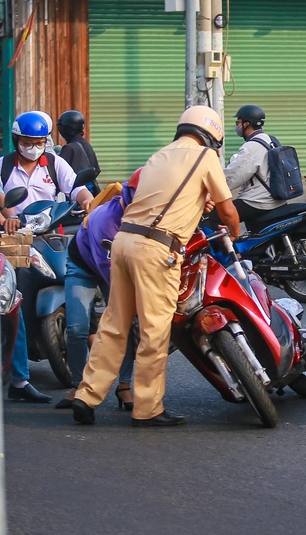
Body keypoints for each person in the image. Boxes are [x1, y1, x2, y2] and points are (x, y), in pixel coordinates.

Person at [71, 106, 240, 427]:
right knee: (155, 330)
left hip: (121, 243)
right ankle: (147, 409)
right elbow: (227, 210)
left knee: (113, 325)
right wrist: (236, 236)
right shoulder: (206, 158)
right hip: (157, 251)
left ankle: (86, 395)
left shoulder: (158, 157)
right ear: (212, 135)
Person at [0, 111, 95, 404]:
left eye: (39, 141)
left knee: (81, 273)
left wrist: (86, 200)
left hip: (50, 233)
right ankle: (18, 374)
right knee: (16, 296)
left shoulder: (54, 162)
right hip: (15, 240)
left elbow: (76, 187)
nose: (34, 146)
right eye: (28, 141)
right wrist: (8, 216)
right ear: (17, 140)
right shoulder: (1, 167)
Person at [55, 170, 141, 411]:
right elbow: (109, 270)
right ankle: (77, 386)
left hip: (118, 267)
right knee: (77, 328)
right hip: (84, 265)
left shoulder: (148, 214)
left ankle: (124, 386)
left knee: (125, 327)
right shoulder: (107, 219)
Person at [219, 103, 284, 230]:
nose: (237, 126)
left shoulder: (252, 146)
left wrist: (212, 189)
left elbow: (233, 176)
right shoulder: (271, 140)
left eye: (238, 122)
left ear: (246, 124)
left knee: (213, 216)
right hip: (276, 198)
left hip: (258, 201)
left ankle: (228, 249)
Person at [57, 110, 101, 194]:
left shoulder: (70, 148)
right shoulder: (85, 143)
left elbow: (59, 174)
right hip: (90, 192)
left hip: (79, 195)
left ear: (64, 130)